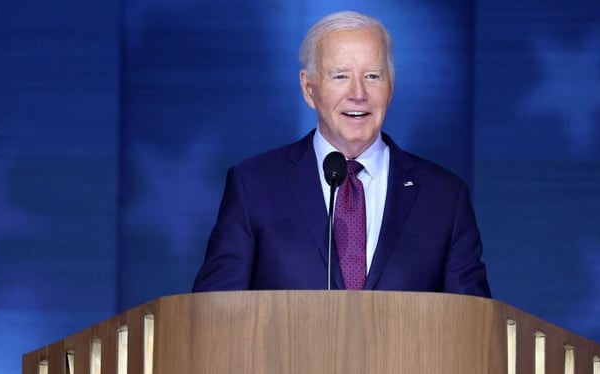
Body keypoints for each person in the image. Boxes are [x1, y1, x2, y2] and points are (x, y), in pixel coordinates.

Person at [192, 10, 491, 297]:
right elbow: (213, 314)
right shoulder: (254, 185)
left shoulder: (444, 196)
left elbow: (474, 326)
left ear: (391, 86)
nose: (358, 94)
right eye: (340, 76)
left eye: (373, 76)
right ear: (309, 89)